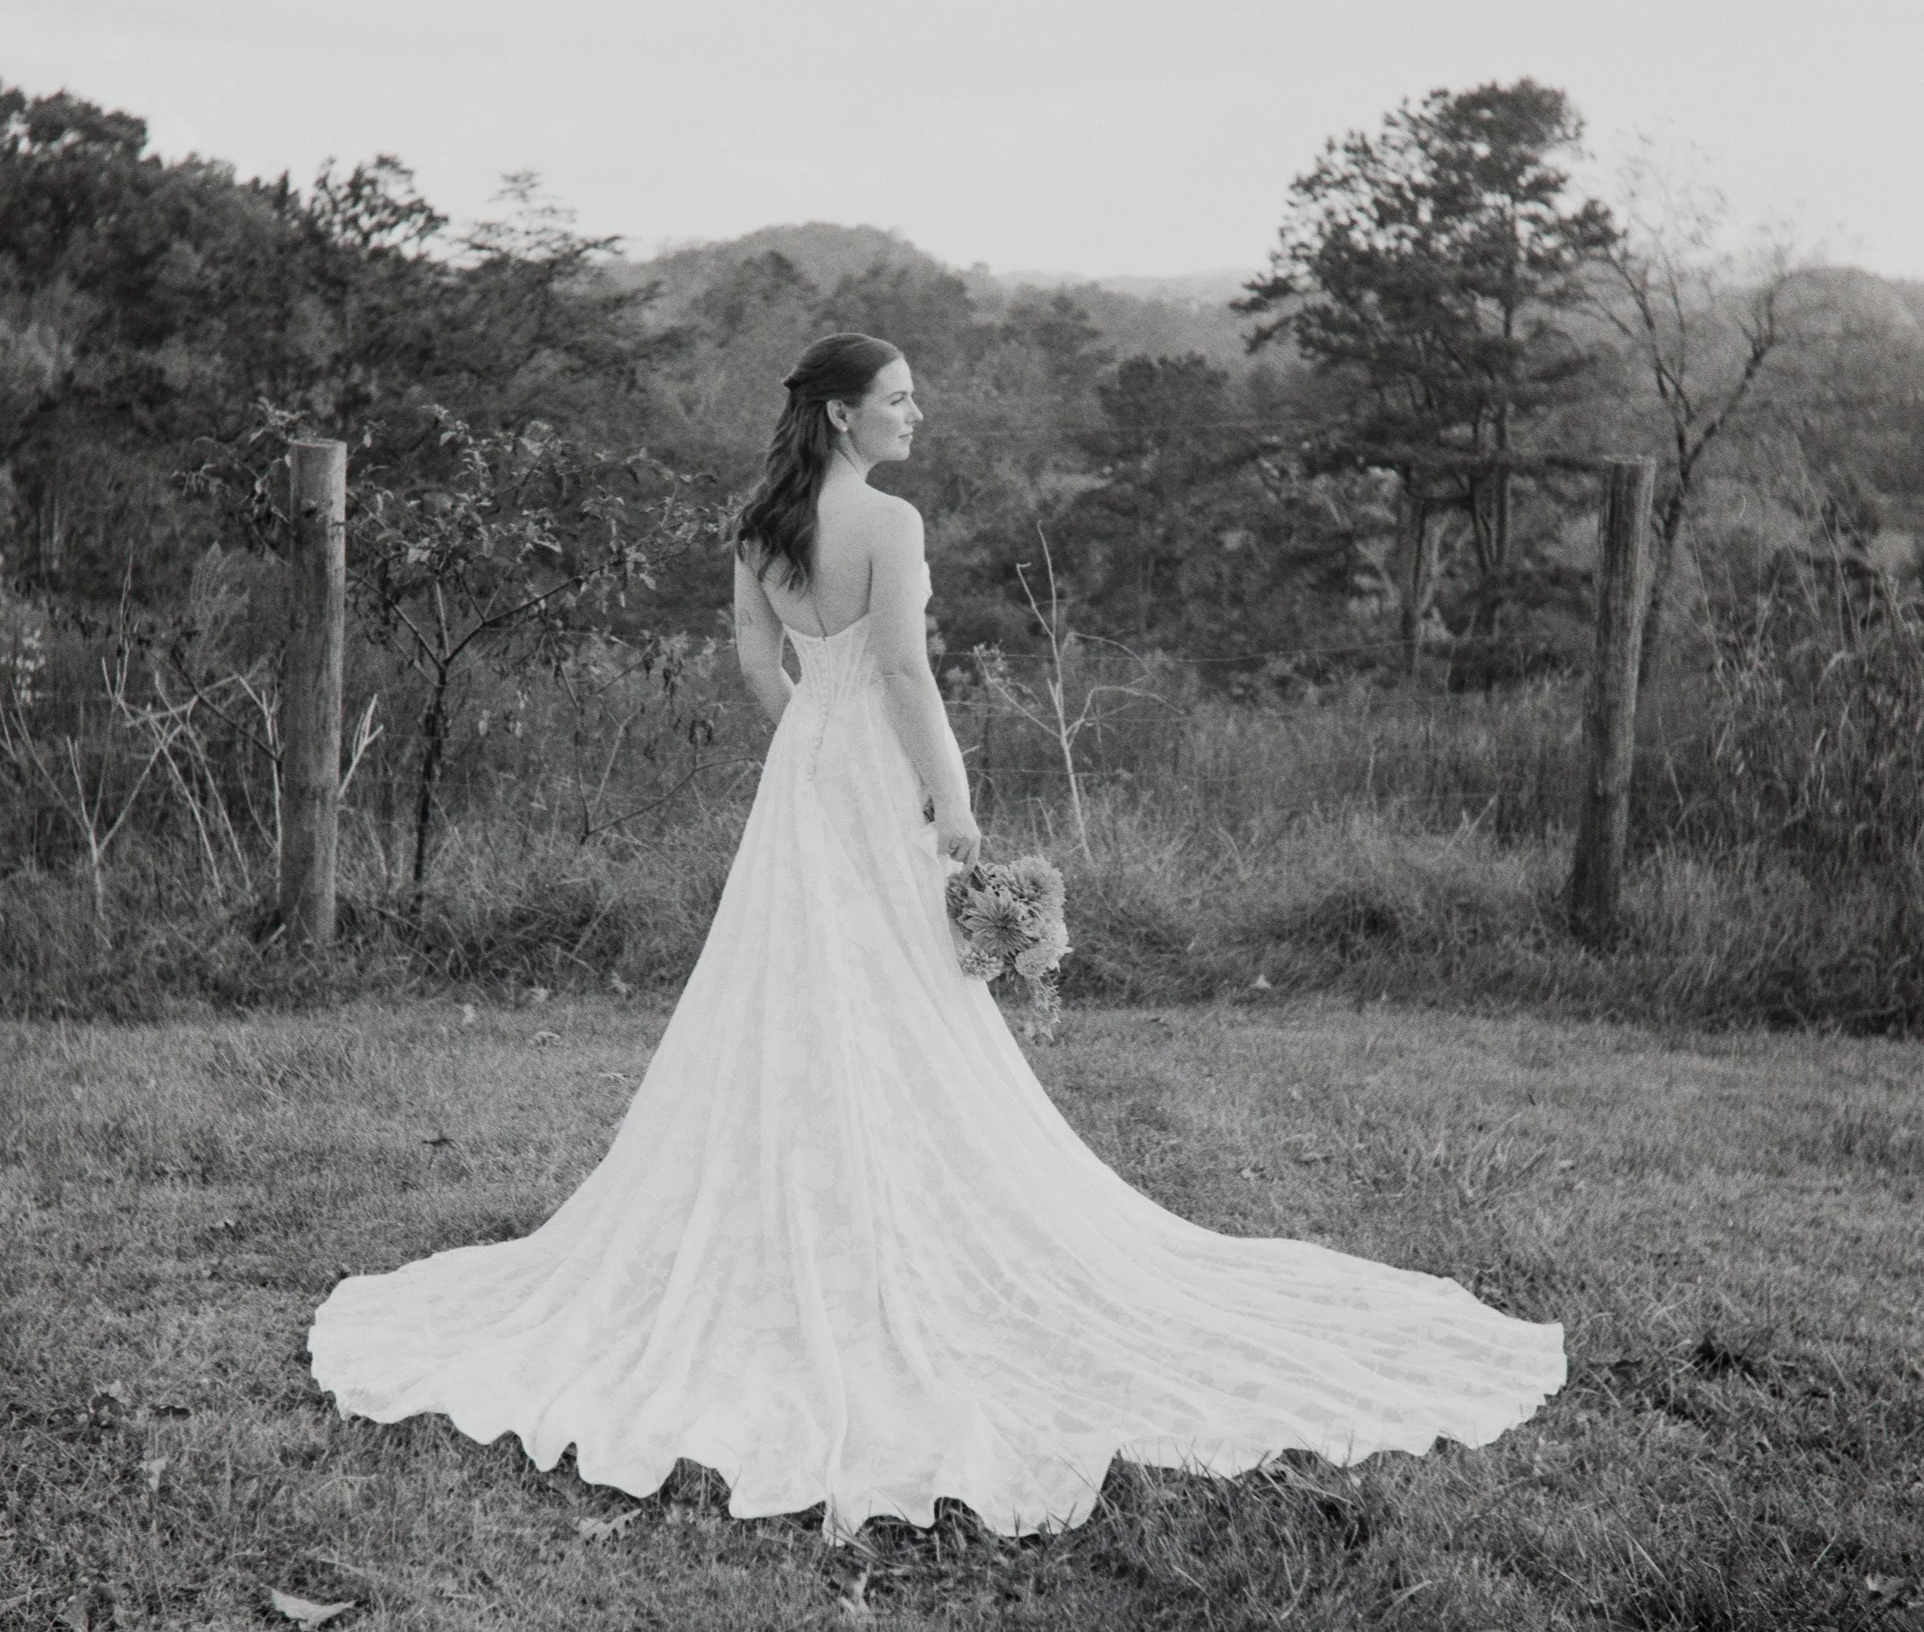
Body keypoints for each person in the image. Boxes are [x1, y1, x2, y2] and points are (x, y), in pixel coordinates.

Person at [308, 331, 1565, 1539]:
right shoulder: (889, 524)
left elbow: (756, 660)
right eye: (900, 397)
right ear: (844, 412)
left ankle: (808, 1190)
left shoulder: (760, 526)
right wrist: (950, 801)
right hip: (872, 765)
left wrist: (809, 737)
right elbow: (906, 672)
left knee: (794, 984)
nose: (918, 413)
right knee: (896, 986)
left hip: (804, 771)